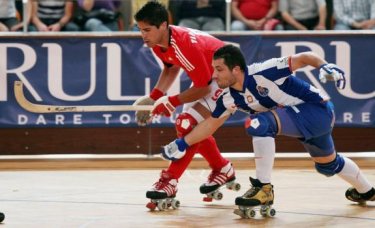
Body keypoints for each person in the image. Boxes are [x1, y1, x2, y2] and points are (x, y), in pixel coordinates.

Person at [162, 44, 375, 212]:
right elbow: (210, 124)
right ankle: (367, 191)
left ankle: (263, 188)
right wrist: (183, 142)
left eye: (219, 69)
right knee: (328, 165)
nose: (214, 76)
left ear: (236, 69)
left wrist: (324, 65)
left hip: (317, 111)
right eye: (213, 70)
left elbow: (303, 58)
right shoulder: (227, 97)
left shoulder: (264, 71)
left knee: (258, 123)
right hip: (300, 119)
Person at [132, 1, 239, 209]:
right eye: (140, 30)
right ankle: (222, 168)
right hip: (209, 78)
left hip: (227, 80)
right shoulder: (159, 42)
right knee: (187, 126)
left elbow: (203, 89)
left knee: (187, 124)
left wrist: (169, 101)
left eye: (147, 30)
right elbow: (171, 69)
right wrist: (154, 98)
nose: (143, 35)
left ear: (163, 25)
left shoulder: (183, 45)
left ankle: (169, 181)